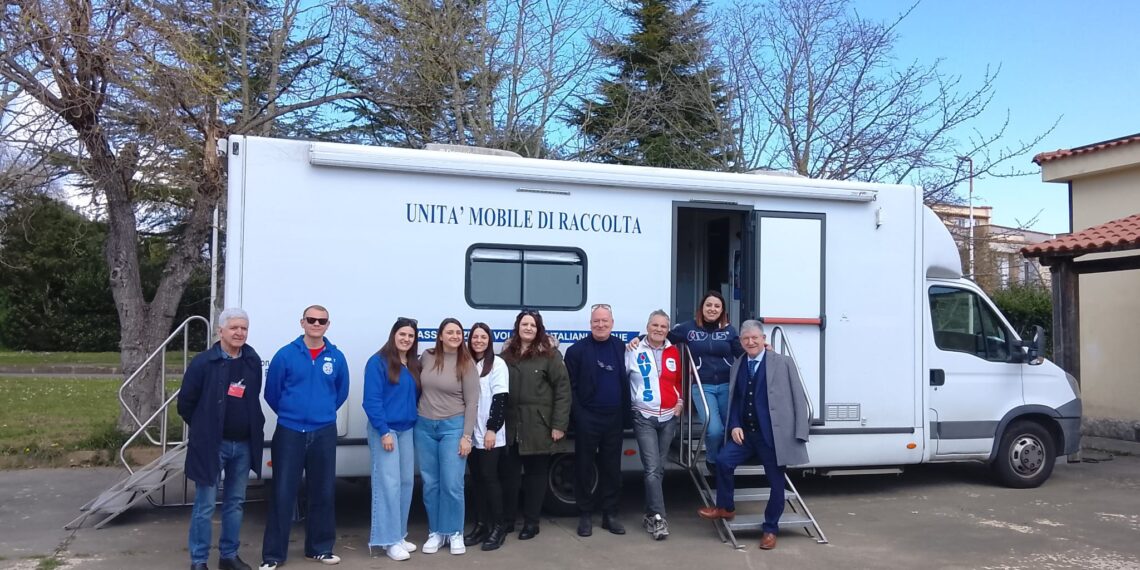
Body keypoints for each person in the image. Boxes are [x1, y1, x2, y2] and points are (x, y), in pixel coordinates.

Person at [697, 320, 810, 551]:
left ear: (763, 339)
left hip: (773, 436)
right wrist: (735, 425)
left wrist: (801, 432)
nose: (750, 342)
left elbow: (798, 397)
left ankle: (770, 529)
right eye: (746, 339)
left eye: (755, 338)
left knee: (776, 483)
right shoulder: (738, 364)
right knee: (723, 461)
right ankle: (726, 507)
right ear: (741, 341)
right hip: (746, 434)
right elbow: (736, 399)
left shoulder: (783, 362)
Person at [260, 305, 349, 569]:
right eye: (311, 319)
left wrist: (321, 413)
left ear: (328, 325)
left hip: (323, 432)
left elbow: (340, 392)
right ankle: (273, 555)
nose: (316, 324)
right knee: (282, 492)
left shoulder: (336, 357)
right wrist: (293, 414)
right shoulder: (285, 355)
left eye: (321, 321)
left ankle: (319, 549)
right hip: (289, 431)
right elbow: (272, 393)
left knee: (323, 491)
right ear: (302, 323)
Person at [178, 308, 265, 570]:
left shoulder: (252, 360)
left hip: (243, 445)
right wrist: (205, 428)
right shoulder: (204, 362)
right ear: (220, 331)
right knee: (205, 506)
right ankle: (199, 561)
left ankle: (229, 556)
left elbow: (253, 396)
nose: (239, 333)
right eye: (234, 328)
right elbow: (186, 403)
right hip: (213, 445)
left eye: (244, 328)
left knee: (235, 504)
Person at [632, 291, 742, 471]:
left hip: (726, 385)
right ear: (702, 308)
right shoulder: (688, 328)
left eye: (717, 306)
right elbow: (662, 335)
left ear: (722, 310)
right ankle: (712, 461)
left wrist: (763, 349)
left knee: (729, 427)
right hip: (702, 386)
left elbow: (742, 352)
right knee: (714, 430)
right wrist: (640, 338)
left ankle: (725, 463)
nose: (712, 309)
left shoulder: (729, 330)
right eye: (708, 305)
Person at [500, 309, 572, 540]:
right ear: (518, 327)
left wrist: (559, 425)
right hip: (511, 425)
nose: (528, 328)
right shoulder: (506, 355)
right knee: (509, 477)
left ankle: (532, 523)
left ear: (539, 329)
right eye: (524, 324)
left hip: (539, 425)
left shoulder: (550, 355)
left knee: (535, 477)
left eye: (533, 325)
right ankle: (507, 521)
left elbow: (563, 390)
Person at [564, 303, 630, 537]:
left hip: (614, 417)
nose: (600, 325)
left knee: (612, 468)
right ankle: (585, 515)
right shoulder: (576, 351)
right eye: (596, 321)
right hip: (588, 418)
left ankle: (609, 514)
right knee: (583, 467)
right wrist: (579, 416)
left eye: (605, 321)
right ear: (590, 324)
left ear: (612, 323)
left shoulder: (621, 347)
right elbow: (569, 388)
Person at [415, 318, 479, 555]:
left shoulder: (466, 363)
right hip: (424, 427)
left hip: (453, 427)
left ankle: (454, 532)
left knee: (452, 484)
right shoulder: (427, 357)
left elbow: (472, 402)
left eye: (458, 332)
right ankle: (436, 532)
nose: (455, 336)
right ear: (440, 335)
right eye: (449, 332)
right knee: (431, 484)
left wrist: (466, 436)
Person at [363, 317, 421, 561]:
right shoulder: (378, 362)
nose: (406, 339)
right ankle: (387, 540)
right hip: (385, 431)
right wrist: (384, 431)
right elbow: (371, 400)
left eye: (410, 336)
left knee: (406, 483)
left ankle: (399, 534)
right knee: (388, 485)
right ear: (393, 335)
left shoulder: (413, 364)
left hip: (407, 429)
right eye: (402, 334)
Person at [627, 310, 683, 541]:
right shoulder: (633, 349)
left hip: (669, 418)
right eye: (655, 325)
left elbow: (678, 381)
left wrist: (680, 402)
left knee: (658, 469)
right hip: (644, 417)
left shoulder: (673, 351)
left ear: (668, 329)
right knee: (651, 468)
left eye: (663, 326)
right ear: (647, 327)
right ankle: (660, 518)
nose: (659, 329)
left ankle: (650, 514)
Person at [463, 322, 510, 551]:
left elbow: (501, 399)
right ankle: (481, 525)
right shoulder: (467, 363)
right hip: (471, 433)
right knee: (477, 480)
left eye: (483, 337)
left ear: (489, 340)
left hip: (490, 433)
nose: (479, 341)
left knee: (490, 478)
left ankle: (498, 527)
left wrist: (492, 428)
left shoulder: (497, 364)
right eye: (475, 337)